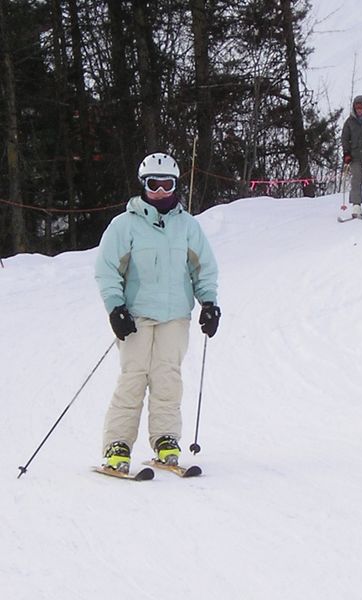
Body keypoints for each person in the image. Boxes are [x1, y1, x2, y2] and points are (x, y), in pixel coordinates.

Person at [94, 152, 220, 473]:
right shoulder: (125, 225)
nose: (161, 192)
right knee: (134, 377)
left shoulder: (187, 226)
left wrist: (209, 303)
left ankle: (165, 439)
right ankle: (117, 444)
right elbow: (107, 269)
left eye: (167, 185)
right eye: (154, 185)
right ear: (143, 186)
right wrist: (115, 308)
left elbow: (203, 268)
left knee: (167, 377)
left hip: (175, 315)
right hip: (136, 316)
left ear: (176, 186)